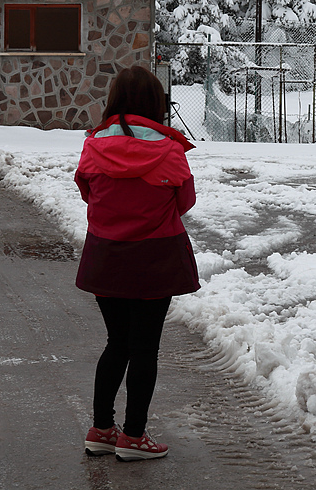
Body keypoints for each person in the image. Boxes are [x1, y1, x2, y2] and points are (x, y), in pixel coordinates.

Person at [73, 65, 199, 461]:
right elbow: (185, 202)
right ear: (155, 104)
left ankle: (101, 429)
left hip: (106, 257)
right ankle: (134, 436)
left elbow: (87, 193)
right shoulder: (169, 151)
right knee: (145, 348)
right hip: (155, 260)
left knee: (117, 342)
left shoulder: (93, 147)